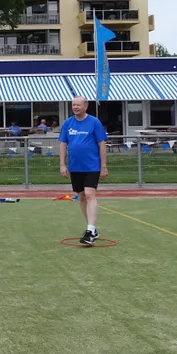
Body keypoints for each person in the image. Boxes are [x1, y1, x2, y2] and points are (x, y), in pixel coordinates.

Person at [59, 96, 108, 245]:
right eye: (73, 105)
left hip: (92, 166)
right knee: (81, 197)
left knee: (89, 194)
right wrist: (62, 164)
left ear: (85, 106)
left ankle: (90, 229)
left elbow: (102, 144)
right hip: (75, 166)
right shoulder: (67, 123)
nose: (75, 107)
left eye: (78, 105)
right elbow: (63, 144)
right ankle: (91, 229)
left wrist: (103, 166)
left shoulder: (94, 122)